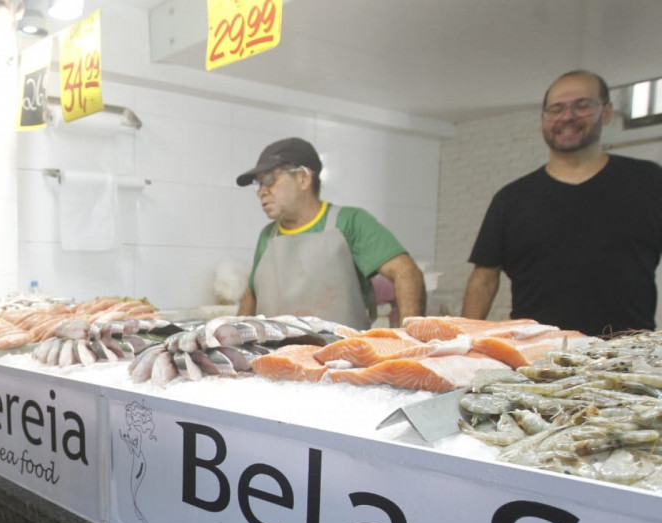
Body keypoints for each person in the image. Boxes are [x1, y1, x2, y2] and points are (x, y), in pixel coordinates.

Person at [462, 70, 662, 336]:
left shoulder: (649, 181)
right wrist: (463, 344)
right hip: (536, 352)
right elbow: (484, 280)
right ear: (543, 119)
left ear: (606, 112)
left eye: (582, 105)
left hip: (626, 352)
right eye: (556, 109)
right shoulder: (511, 199)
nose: (568, 116)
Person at [235, 137, 425, 329]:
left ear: (303, 178)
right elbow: (252, 294)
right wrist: (234, 337)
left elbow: (407, 273)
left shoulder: (349, 221)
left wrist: (408, 338)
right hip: (276, 348)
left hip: (342, 348)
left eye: (269, 180)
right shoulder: (268, 236)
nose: (261, 192)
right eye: (258, 183)